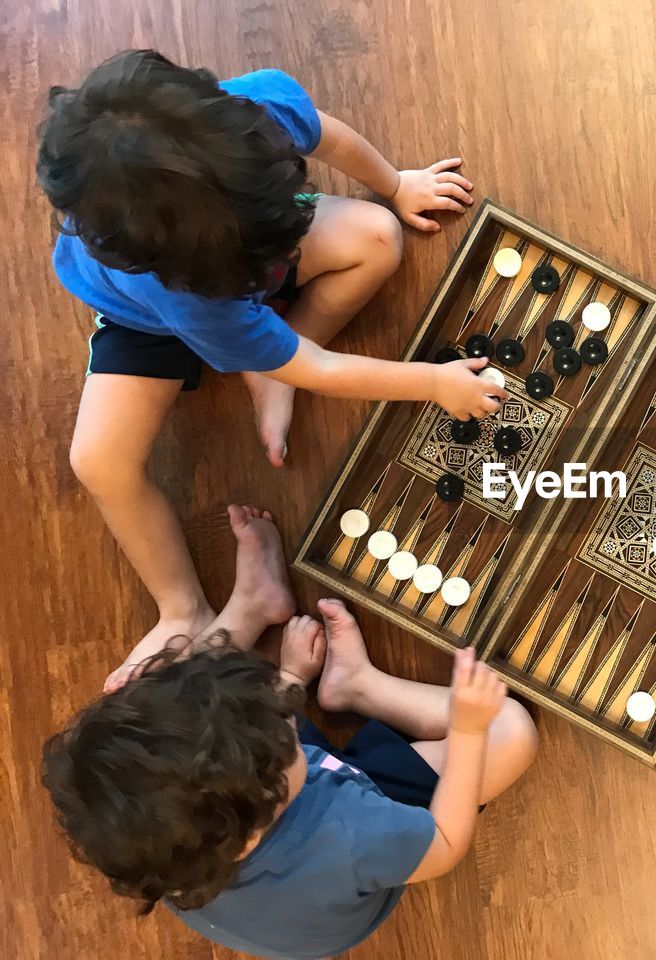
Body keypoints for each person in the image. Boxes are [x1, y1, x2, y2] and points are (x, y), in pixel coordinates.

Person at [36, 49, 507, 686]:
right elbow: (317, 368)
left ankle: (266, 367)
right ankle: (181, 606)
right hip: (147, 324)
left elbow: (328, 134)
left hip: (235, 254)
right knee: (97, 462)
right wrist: (432, 382)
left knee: (377, 236)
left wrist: (395, 186)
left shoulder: (251, 112)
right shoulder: (198, 300)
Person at [42, 505, 538, 960]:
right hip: (362, 823)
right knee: (511, 730)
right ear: (251, 830)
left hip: (260, 811)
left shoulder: (170, 847)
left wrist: (293, 679)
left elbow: (230, 734)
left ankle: (257, 604)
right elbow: (444, 845)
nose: (285, 717)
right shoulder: (353, 836)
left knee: (164, 695)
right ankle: (361, 687)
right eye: (282, 737)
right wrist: (470, 731)